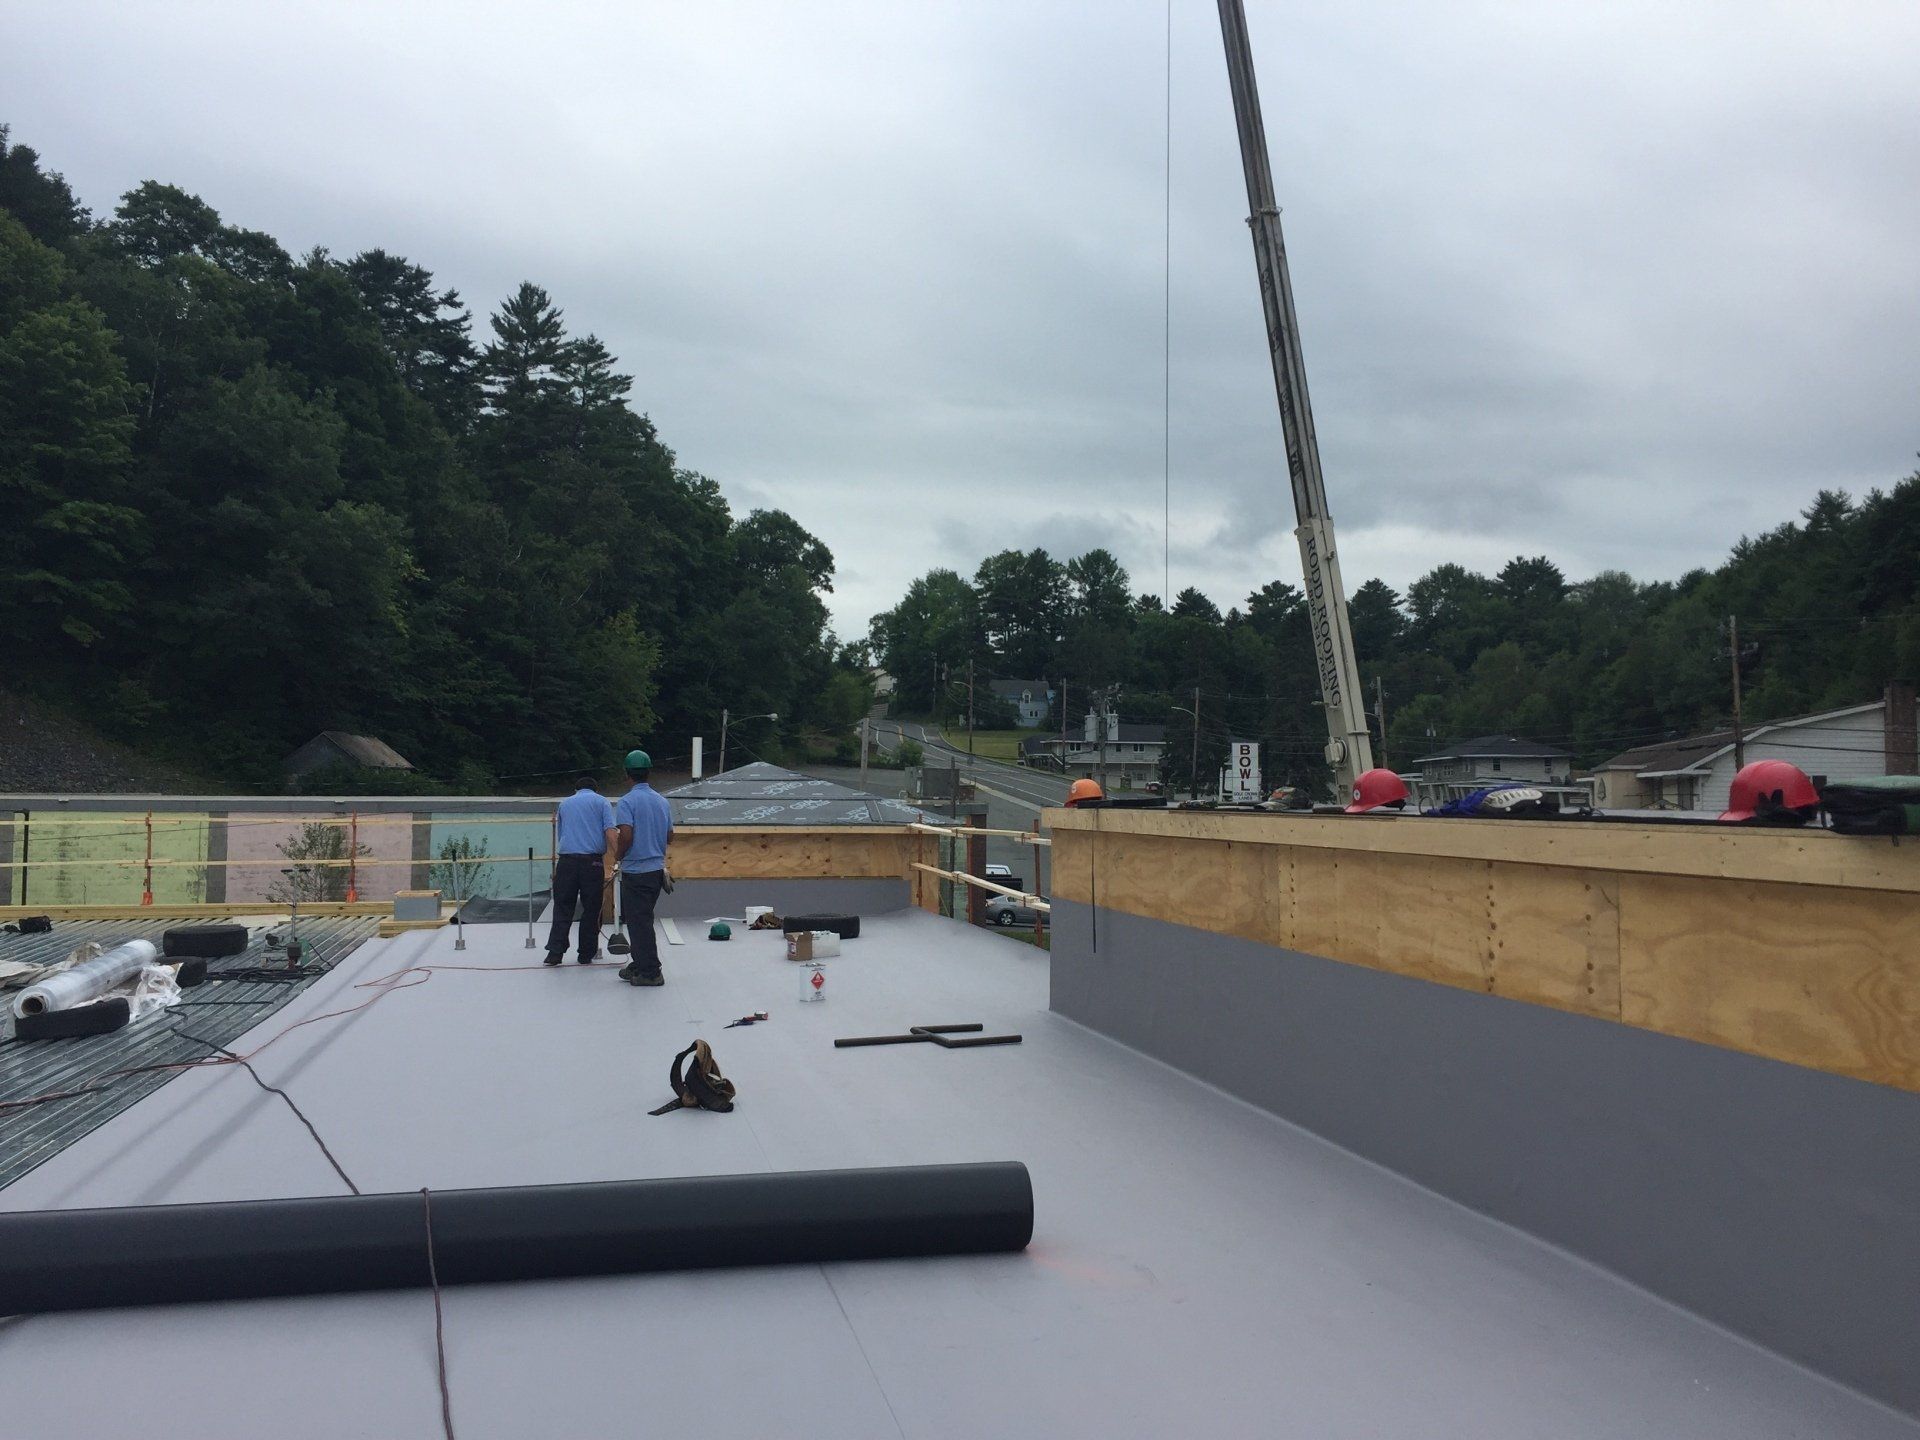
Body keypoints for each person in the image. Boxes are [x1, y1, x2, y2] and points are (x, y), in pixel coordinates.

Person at [613, 747, 674, 986]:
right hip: (656, 872)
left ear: (627, 774)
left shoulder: (627, 802)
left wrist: (618, 855)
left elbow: (625, 835)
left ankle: (651, 972)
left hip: (636, 872)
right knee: (642, 919)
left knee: (639, 923)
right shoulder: (661, 801)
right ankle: (639, 963)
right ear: (649, 773)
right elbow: (670, 836)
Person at [546, 774, 616, 964]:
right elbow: (610, 831)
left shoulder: (565, 804)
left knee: (562, 906)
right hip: (592, 863)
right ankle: (586, 953)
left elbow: (562, 834)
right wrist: (621, 855)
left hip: (566, 861)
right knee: (592, 907)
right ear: (596, 789)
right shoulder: (602, 803)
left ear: (576, 790)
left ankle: (555, 952)